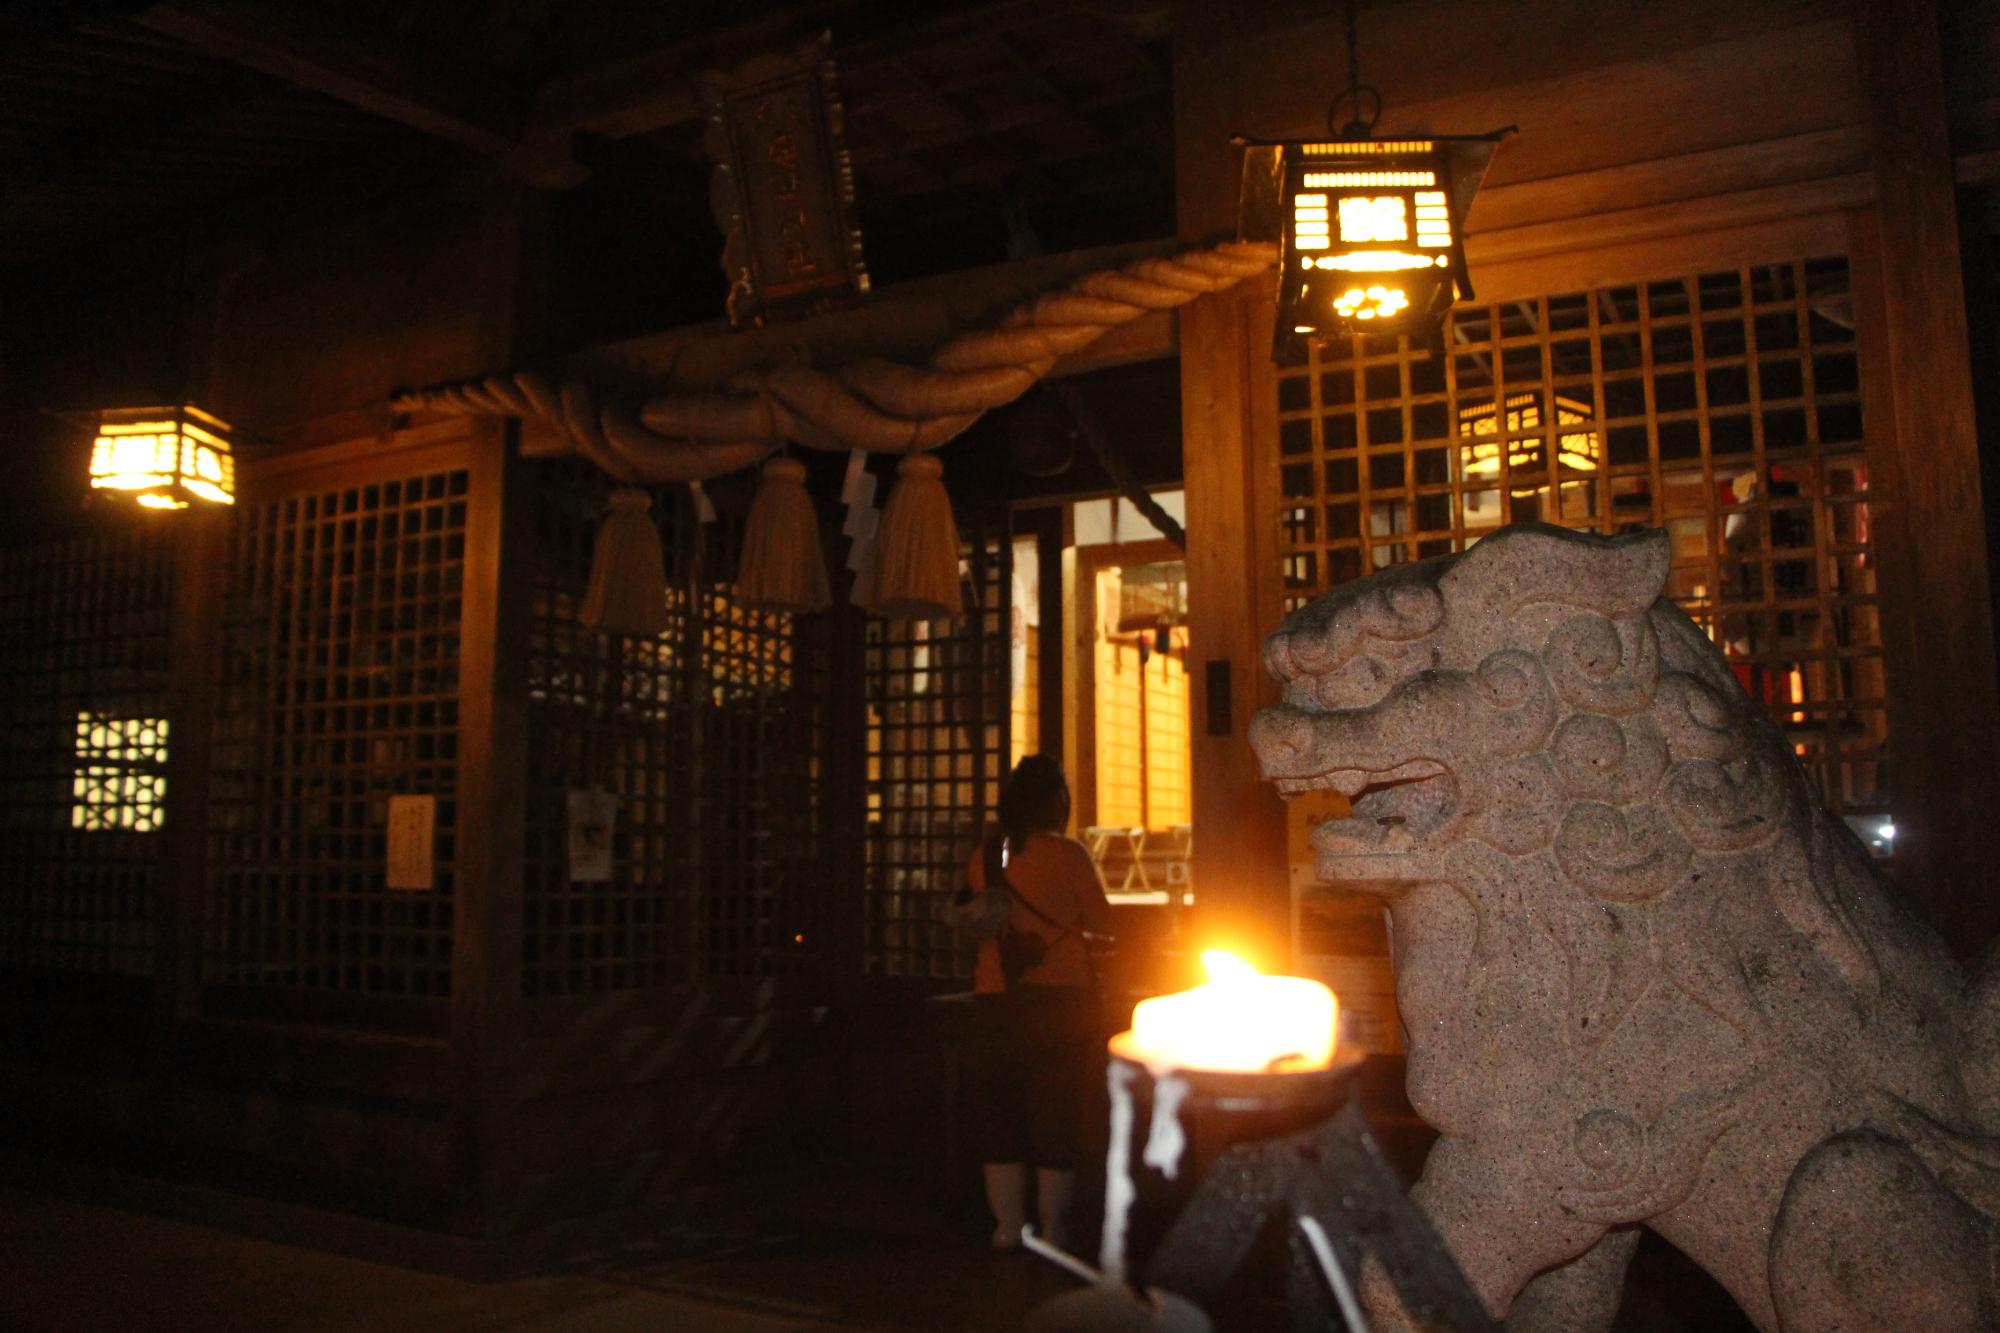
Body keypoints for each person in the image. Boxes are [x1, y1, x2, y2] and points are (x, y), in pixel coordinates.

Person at [956, 754, 1110, 1252]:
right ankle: (1054, 1228)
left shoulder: (988, 854)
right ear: (1056, 801)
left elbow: (968, 913)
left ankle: (1006, 1227)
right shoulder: (1068, 855)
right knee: (1056, 1110)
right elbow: (1103, 921)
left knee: (999, 1110)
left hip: (996, 999)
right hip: (1063, 1000)